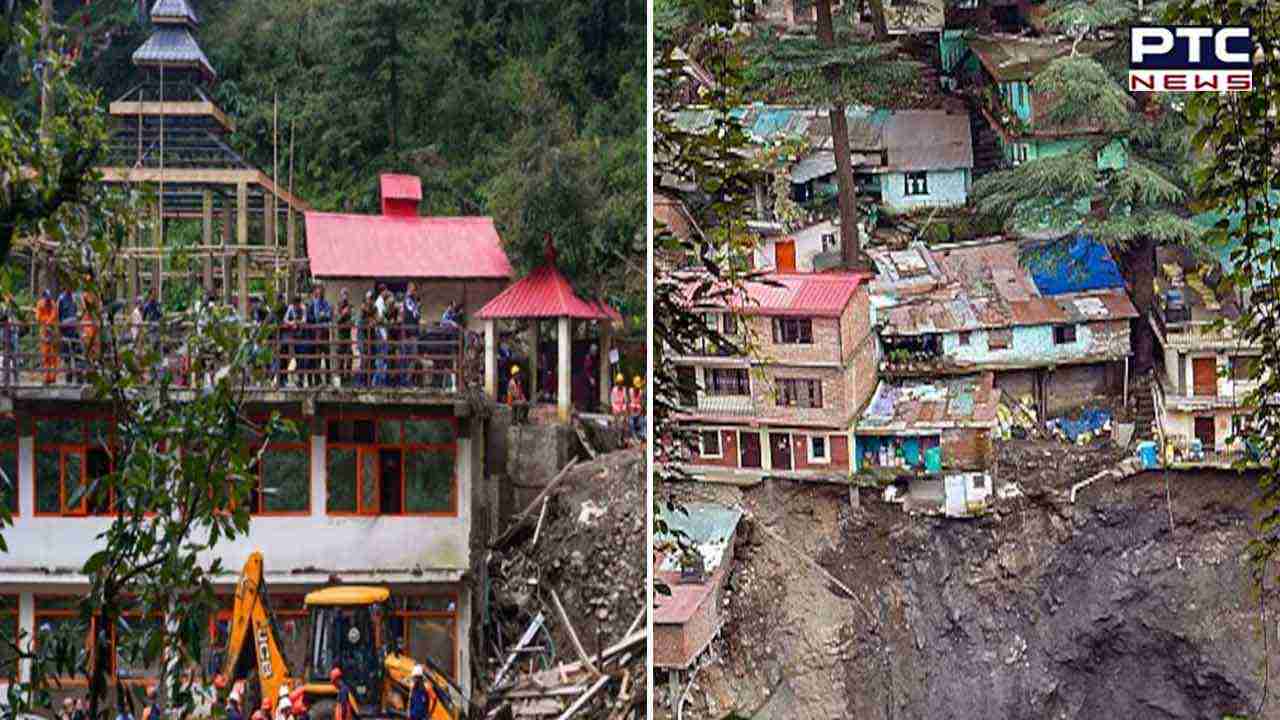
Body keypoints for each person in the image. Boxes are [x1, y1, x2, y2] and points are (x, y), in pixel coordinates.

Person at [306, 285, 333, 387]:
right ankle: (317, 381)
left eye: (322, 292)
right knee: (317, 359)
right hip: (316, 335)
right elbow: (317, 316)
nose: (320, 293)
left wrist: (323, 315)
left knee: (327, 359)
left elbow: (329, 315)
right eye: (319, 292)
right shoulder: (313, 303)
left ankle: (328, 380)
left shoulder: (326, 303)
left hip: (325, 334)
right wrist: (322, 315)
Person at [57, 287, 80, 383]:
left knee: (78, 354)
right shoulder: (61, 299)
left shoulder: (75, 298)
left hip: (75, 330)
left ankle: (79, 377)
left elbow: (78, 311)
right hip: (65, 330)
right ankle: (68, 377)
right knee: (67, 356)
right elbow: (57, 315)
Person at [36, 290, 59, 385]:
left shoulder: (53, 304)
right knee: (45, 355)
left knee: (53, 356)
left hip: (53, 332)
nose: (48, 301)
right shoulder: (40, 304)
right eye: (47, 299)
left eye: (49, 299)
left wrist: (49, 322)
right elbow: (38, 317)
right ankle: (46, 377)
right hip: (44, 332)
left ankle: (53, 377)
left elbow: (54, 315)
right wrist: (46, 322)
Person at [282, 295, 305, 387]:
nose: (296, 306)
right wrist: (292, 323)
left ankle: (300, 380)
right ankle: (288, 378)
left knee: (300, 358)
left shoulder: (303, 308)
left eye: (297, 304)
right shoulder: (291, 308)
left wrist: (297, 322)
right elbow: (285, 319)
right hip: (291, 337)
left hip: (300, 337)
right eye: (295, 304)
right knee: (290, 357)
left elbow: (304, 320)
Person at [0, 292, 20, 386]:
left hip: (13, 332)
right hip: (4, 332)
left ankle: (16, 379)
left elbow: (18, 310)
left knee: (15, 356)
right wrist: (7, 305)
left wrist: (12, 301)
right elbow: (3, 317)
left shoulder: (12, 306)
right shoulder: (2, 306)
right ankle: (5, 379)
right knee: (6, 356)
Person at [334, 288, 353, 386]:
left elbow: (353, 318)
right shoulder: (338, 306)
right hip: (340, 336)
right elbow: (336, 319)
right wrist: (343, 314)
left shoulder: (350, 306)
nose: (345, 297)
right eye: (343, 294)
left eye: (346, 294)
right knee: (340, 358)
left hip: (348, 335)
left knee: (350, 356)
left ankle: (348, 378)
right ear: (341, 296)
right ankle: (340, 379)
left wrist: (351, 321)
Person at [629, 375, 645, 440]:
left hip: (638, 412)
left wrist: (639, 409)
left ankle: (641, 435)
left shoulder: (641, 392)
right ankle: (634, 436)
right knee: (631, 423)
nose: (637, 389)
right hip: (632, 411)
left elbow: (640, 403)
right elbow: (631, 401)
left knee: (641, 422)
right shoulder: (630, 391)